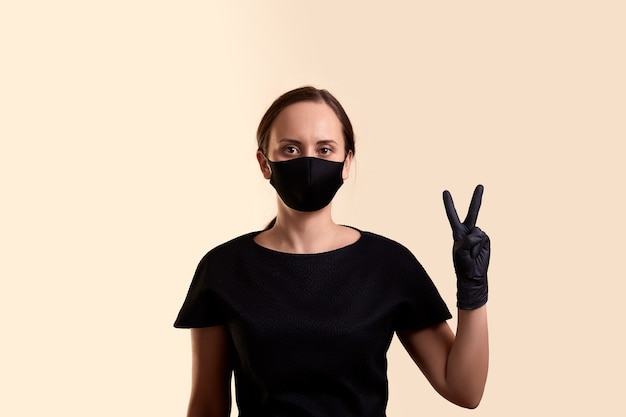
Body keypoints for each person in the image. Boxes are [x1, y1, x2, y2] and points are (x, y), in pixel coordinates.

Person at [174, 86, 490, 417]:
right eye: (291, 149)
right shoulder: (223, 269)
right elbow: (207, 407)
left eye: (324, 149)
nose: (308, 161)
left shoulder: (388, 265)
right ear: (264, 163)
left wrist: (473, 289)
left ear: (346, 162)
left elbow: (464, 389)